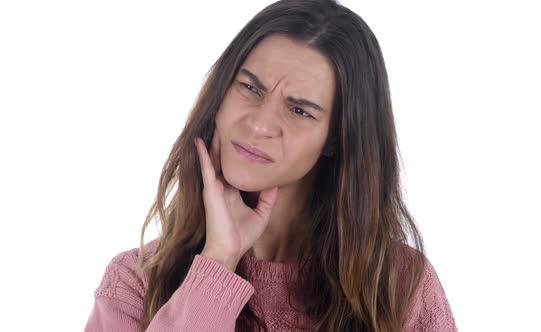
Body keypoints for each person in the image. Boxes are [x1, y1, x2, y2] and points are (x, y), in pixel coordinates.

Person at [84, 0, 457, 331]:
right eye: (250, 88)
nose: (260, 124)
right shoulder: (136, 284)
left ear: (336, 138)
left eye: (299, 110)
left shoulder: (399, 286)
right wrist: (218, 261)